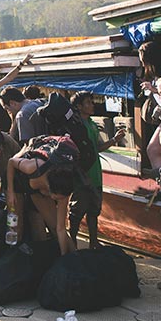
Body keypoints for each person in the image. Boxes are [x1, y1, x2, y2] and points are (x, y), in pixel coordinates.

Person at [68, 91, 125, 249]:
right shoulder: (76, 126)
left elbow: (97, 148)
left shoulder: (92, 123)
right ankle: (71, 239)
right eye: (88, 103)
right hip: (81, 175)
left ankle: (93, 241)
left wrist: (114, 140)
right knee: (77, 211)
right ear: (78, 106)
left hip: (95, 173)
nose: (92, 105)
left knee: (94, 210)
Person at [6, 141, 78, 255]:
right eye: (56, 198)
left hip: (37, 188)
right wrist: (10, 191)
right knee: (15, 227)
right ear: (50, 189)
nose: (58, 201)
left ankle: (74, 257)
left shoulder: (64, 188)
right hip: (17, 179)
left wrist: (64, 257)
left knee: (54, 226)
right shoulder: (33, 167)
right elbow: (11, 162)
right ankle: (12, 255)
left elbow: (60, 229)